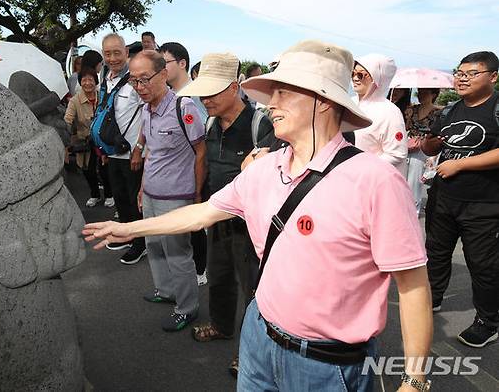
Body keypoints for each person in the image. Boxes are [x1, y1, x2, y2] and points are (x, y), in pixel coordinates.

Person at [85, 40, 433, 392]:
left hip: (327, 367)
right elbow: (203, 213)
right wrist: (129, 228)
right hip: (258, 340)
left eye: (283, 93)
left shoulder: (376, 181)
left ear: (324, 101)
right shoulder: (264, 170)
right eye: (271, 94)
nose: (271, 104)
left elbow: (413, 285)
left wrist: (414, 380)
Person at [178, 51, 275, 377]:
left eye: (212, 92)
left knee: (253, 289)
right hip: (217, 217)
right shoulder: (209, 121)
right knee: (218, 277)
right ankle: (221, 325)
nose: (204, 99)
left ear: (234, 88)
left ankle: (251, 351)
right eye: (201, 91)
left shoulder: (261, 123)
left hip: (251, 226)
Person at [421, 51, 499, 348]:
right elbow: (430, 150)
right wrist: (430, 142)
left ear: (493, 76)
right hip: (443, 198)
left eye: (471, 73)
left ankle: (487, 322)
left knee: (483, 264)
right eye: (459, 72)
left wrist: (461, 164)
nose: (462, 78)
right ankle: (433, 298)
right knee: (436, 253)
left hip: (483, 204)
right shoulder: (449, 110)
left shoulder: (496, 108)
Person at [129, 50, 206, 331]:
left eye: (145, 79)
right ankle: (166, 291)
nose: (140, 87)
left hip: (176, 198)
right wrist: (142, 189)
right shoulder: (146, 110)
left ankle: (187, 308)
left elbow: (200, 152)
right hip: (151, 194)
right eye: (134, 81)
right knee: (154, 246)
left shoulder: (184, 108)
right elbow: (152, 153)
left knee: (177, 253)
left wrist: (197, 195)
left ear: (163, 74)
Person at [159, 42, 209, 286]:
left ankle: (200, 269)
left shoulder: (196, 95)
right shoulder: (166, 96)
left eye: (164, 62)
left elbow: (202, 140)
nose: (160, 68)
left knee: (195, 224)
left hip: (193, 173)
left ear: (182, 64)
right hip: (173, 176)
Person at [101, 33, 147, 264]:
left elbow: (146, 115)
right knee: (120, 198)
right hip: (112, 151)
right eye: (107, 53)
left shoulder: (135, 79)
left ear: (127, 53)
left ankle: (141, 243)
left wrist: (139, 149)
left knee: (134, 199)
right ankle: (127, 236)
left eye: (117, 52)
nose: (112, 58)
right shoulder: (105, 79)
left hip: (132, 153)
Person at [65, 67, 114, 208]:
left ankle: (109, 195)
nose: (87, 83)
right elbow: (68, 119)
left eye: (90, 80)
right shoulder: (75, 101)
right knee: (88, 170)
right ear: (80, 82)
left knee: (105, 169)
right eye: (84, 80)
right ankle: (95, 195)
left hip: (102, 140)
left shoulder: (102, 96)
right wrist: (66, 131)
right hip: (84, 141)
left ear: (96, 81)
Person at [352, 54, 409, 176]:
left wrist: (363, 167)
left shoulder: (390, 112)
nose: (355, 78)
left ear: (377, 78)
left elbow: (397, 153)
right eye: (353, 73)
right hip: (347, 175)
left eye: (361, 75)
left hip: (372, 180)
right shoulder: (350, 103)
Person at [403, 88, 441, 212]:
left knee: (415, 183)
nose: (421, 95)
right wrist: (408, 117)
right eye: (419, 92)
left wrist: (433, 157)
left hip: (425, 149)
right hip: (408, 146)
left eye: (425, 93)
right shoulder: (413, 109)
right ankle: (401, 209)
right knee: (402, 179)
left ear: (433, 95)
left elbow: (437, 134)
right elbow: (407, 128)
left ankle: (414, 211)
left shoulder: (438, 112)